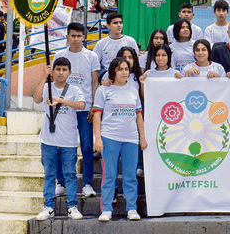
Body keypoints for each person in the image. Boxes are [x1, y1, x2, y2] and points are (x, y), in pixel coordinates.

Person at [93, 58, 147, 222]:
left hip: (130, 138)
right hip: (110, 137)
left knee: (130, 176)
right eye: (120, 69)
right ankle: (106, 209)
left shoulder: (132, 90)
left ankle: (132, 208)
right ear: (113, 72)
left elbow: (139, 116)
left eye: (126, 69)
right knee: (109, 175)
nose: (124, 72)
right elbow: (97, 114)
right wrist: (98, 138)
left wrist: (142, 138)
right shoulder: (103, 90)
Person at [52, 23, 100, 199]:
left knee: (87, 147)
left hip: (84, 109)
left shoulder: (91, 56)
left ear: (84, 37)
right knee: (60, 147)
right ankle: (61, 183)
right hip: (63, 108)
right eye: (73, 36)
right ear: (67, 36)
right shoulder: (59, 55)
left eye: (79, 36)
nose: (76, 39)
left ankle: (87, 183)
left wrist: (94, 105)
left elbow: (95, 82)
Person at [34, 58, 85, 221]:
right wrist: (43, 77)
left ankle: (72, 206)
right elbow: (36, 99)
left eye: (64, 70)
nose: (61, 73)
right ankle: (48, 206)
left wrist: (60, 100)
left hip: (68, 140)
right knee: (49, 174)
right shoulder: (47, 87)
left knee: (70, 174)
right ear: (53, 71)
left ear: (69, 72)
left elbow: (82, 105)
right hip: (48, 140)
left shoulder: (75, 89)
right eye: (58, 69)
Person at [93, 13, 139, 79]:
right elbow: (95, 64)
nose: (119, 25)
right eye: (115, 23)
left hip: (127, 78)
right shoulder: (101, 43)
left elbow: (136, 61)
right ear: (108, 26)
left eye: (120, 22)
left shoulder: (130, 41)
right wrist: (102, 77)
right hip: (108, 80)